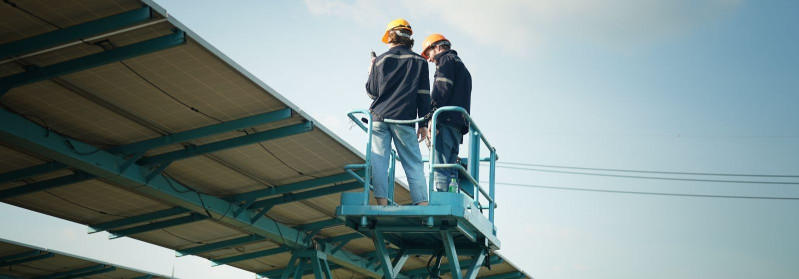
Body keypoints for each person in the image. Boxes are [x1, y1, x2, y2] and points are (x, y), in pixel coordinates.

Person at [366, 18, 431, 206]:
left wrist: (371, 70)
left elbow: (372, 92)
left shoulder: (379, 60)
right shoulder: (420, 62)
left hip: (378, 117)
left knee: (379, 161)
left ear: (389, 37)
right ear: (409, 38)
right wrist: (423, 125)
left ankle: (382, 205)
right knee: (413, 163)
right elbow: (423, 95)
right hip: (403, 120)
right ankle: (422, 205)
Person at [420, 34, 472, 192]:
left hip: (445, 121)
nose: (429, 60)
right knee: (450, 167)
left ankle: (440, 201)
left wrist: (431, 116)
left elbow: (441, 90)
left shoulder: (445, 61)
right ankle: (450, 196)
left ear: (437, 47)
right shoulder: (462, 66)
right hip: (457, 125)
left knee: (440, 166)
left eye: (428, 54)